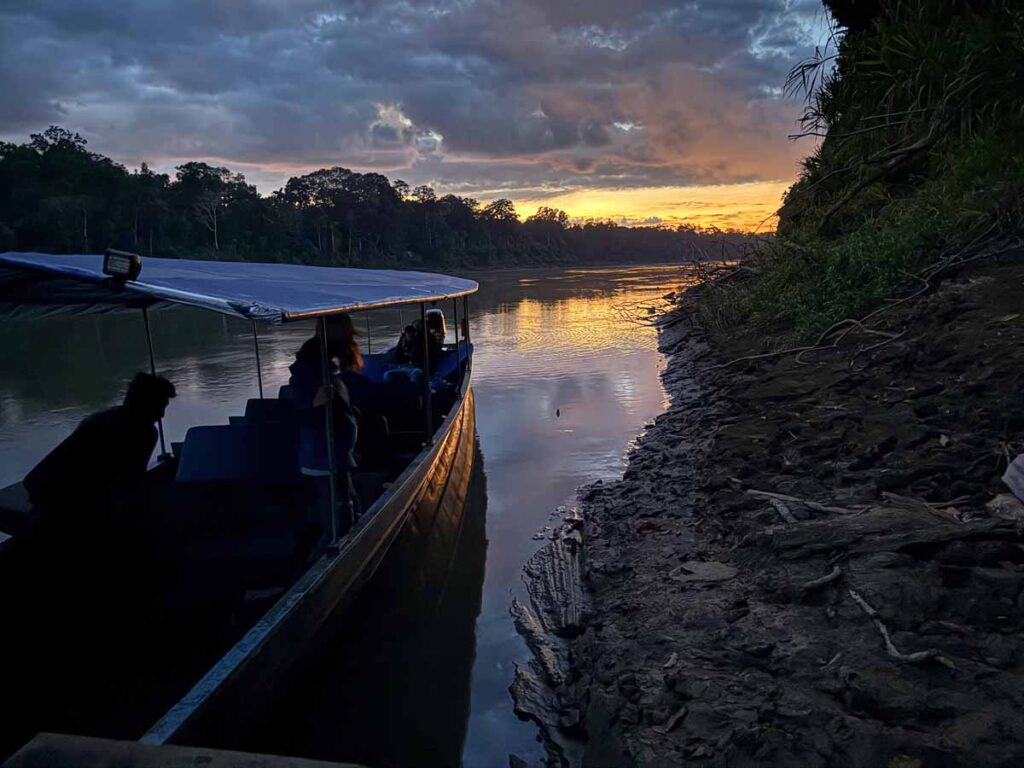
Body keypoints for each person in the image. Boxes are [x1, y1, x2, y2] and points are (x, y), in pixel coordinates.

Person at [24, 372, 176, 526]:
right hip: (66, 501)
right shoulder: (143, 433)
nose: (162, 415)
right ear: (143, 404)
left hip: (47, 489)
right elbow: (127, 484)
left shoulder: (99, 420)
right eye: (159, 407)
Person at [288, 315, 361, 553]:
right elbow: (303, 412)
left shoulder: (327, 365)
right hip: (324, 457)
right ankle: (311, 575)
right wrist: (315, 403)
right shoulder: (313, 367)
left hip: (335, 456)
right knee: (337, 524)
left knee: (347, 512)